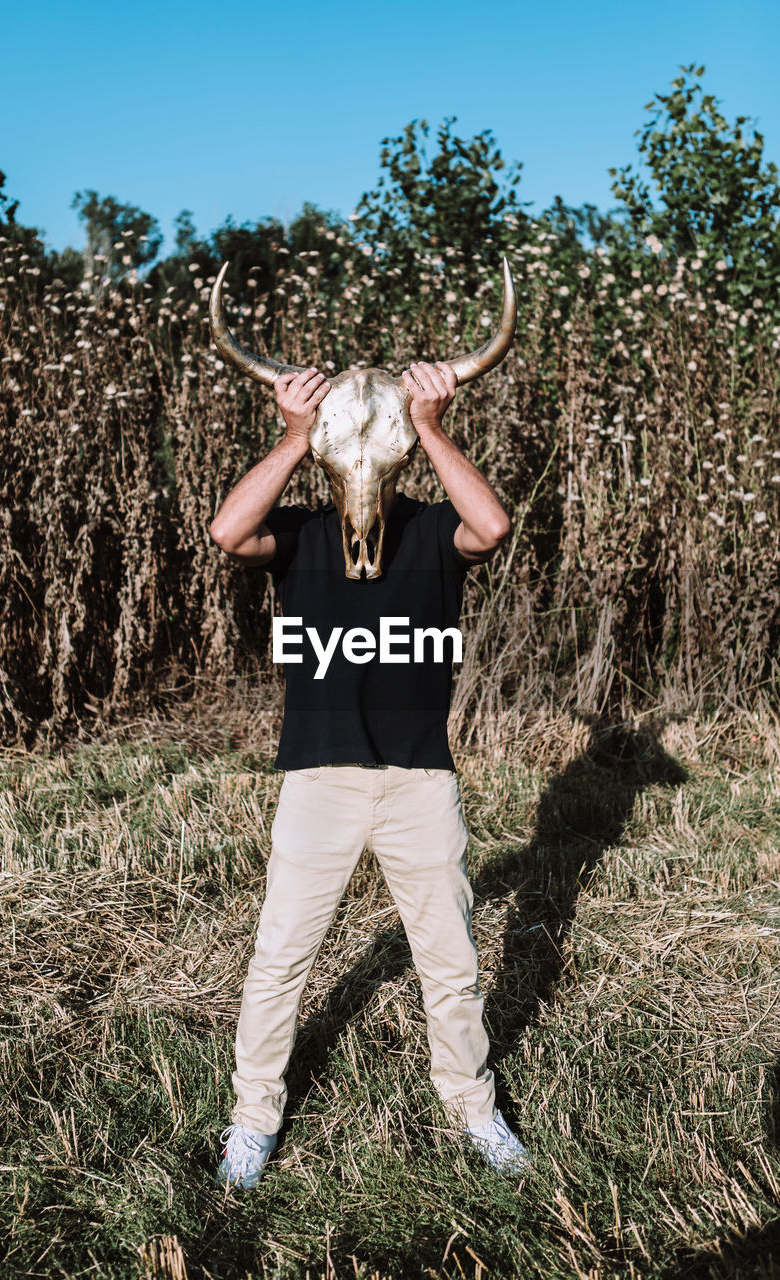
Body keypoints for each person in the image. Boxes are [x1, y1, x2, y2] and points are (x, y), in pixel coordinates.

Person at [209, 359, 530, 1189]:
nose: (360, 459)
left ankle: (472, 1109)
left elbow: (491, 527)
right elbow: (227, 532)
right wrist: (292, 434)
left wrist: (427, 423)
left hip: (420, 782)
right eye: (343, 444)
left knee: (450, 963)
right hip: (318, 781)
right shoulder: (304, 534)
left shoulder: (431, 532)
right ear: (329, 450)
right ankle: (252, 1121)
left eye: (380, 441)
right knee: (280, 958)